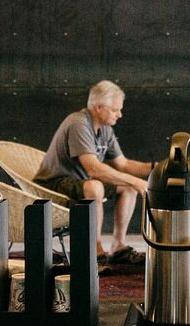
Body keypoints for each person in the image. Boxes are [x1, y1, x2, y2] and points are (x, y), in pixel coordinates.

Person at [33, 81, 152, 263]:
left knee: (127, 188)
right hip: (54, 183)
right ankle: (95, 251)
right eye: (114, 110)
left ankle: (118, 246)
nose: (120, 115)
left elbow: (124, 164)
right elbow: (93, 169)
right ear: (98, 107)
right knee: (96, 187)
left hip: (80, 183)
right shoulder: (78, 123)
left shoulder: (106, 130)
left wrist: (156, 167)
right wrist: (135, 181)